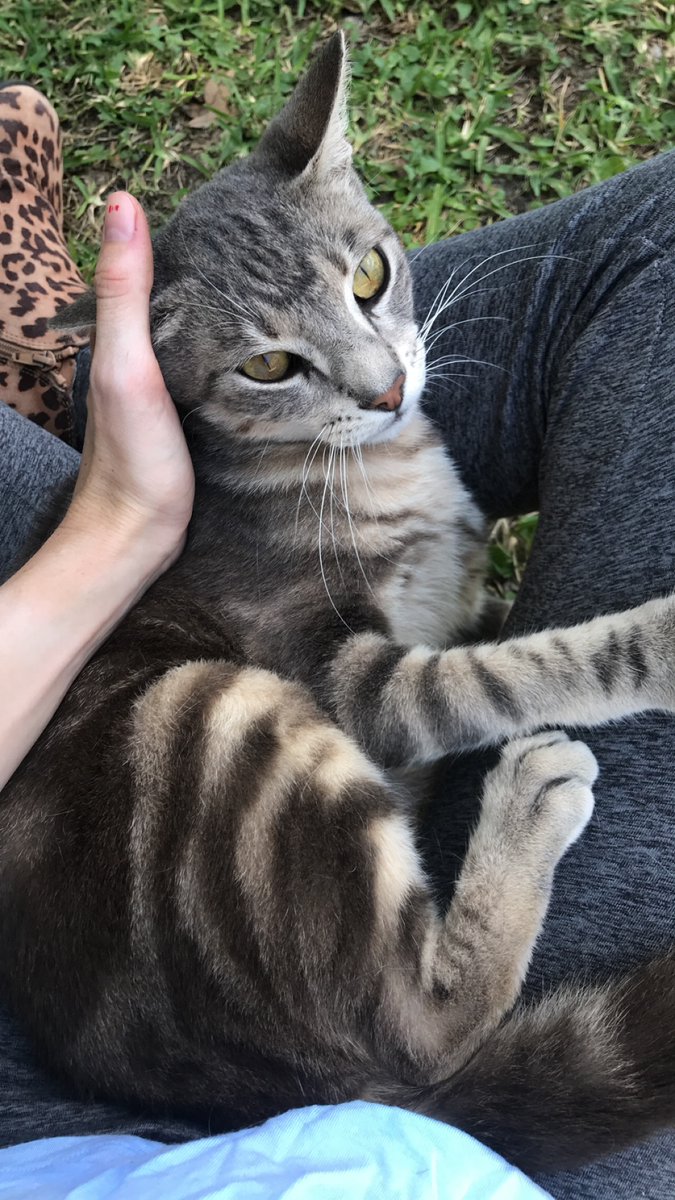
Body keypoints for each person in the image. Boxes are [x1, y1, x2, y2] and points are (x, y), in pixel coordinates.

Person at [0, 83, 673, 1200]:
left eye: (369, 283)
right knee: (216, 720)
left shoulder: (347, 388)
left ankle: (83, 374)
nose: (382, 376)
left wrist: (125, 522)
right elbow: (363, 705)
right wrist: (623, 663)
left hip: (194, 964)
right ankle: (446, 995)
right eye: (273, 364)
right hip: (321, 1028)